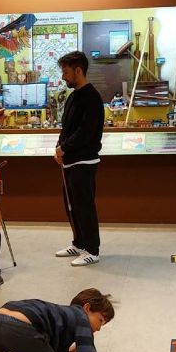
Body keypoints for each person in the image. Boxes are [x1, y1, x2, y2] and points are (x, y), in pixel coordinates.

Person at [53, 51, 105, 266]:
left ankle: (92, 249)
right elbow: (67, 127)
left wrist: (64, 148)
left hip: (84, 161)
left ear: (78, 70)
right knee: (72, 205)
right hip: (70, 161)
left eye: (66, 72)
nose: (63, 77)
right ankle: (79, 243)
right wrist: (59, 146)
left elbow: (85, 132)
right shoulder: (73, 96)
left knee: (84, 206)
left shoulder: (92, 98)